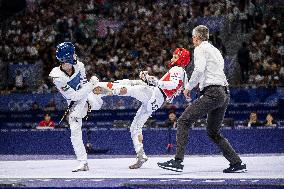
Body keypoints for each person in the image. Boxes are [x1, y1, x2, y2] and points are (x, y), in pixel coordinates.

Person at [157, 25, 246, 173]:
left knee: (183, 120)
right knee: (213, 132)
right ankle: (236, 163)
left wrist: (188, 87)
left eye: (193, 38)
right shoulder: (216, 51)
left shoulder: (199, 49)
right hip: (224, 93)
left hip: (213, 93)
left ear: (196, 38)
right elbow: (212, 72)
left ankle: (177, 161)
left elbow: (198, 70)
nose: (192, 41)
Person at [113, 48, 190, 169]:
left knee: (130, 88)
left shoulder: (177, 69)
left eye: (175, 57)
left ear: (181, 60)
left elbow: (173, 85)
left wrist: (156, 81)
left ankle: (104, 88)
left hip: (156, 95)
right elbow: (175, 91)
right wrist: (150, 80)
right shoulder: (183, 74)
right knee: (135, 126)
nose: (172, 58)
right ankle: (141, 154)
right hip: (158, 98)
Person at [49, 42, 104, 172]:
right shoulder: (57, 77)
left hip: (86, 95)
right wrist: (91, 84)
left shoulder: (80, 65)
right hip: (74, 100)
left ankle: (90, 104)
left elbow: (83, 85)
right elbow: (74, 96)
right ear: (66, 59)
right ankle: (83, 162)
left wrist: (91, 86)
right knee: (74, 129)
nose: (75, 56)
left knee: (99, 98)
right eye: (72, 55)